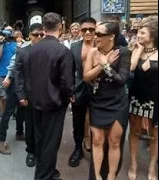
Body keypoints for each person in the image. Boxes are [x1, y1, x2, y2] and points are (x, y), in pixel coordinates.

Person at [83, 21, 131, 180]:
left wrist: (107, 66)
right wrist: (104, 65)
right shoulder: (93, 52)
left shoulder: (123, 52)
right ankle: (97, 176)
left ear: (111, 36)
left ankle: (111, 176)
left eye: (99, 34)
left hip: (118, 102)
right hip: (98, 101)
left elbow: (121, 80)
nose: (94, 37)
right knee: (97, 140)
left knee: (114, 141)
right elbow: (86, 76)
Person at [29, 12, 75, 180]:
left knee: (41, 140)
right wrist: (69, 96)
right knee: (50, 143)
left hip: (37, 101)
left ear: (43, 28)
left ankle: (47, 172)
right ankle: (44, 176)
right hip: (54, 103)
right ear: (60, 26)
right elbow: (67, 82)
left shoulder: (34, 48)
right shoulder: (63, 51)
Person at [128, 15, 158, 180]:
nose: (138, 35)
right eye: (138, 32)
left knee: (155, 134)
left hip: (156, 99)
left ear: (152, 36)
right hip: (136, 97)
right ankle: (133, 162)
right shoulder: (134, 49)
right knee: (134, 131)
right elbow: (131, 68)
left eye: (142, 33)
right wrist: (138, 49)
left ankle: (152, 166)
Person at [68, 17, 96, 168]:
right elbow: (69, 70)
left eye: (91, 29)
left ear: (95, 29)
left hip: (97, 90)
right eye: (84, 29)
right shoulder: (74, 47)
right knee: (77, 122)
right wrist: (70, 90)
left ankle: (97, 149)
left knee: (98, 121)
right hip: (78, 88)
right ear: (80, 30)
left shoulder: (100, 44)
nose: (87, 32)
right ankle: (78, 149)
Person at [14, 23, 44, 167]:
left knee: (44, 125)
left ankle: (42, 151)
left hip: (46, 95)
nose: (38, 37)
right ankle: (31, 151)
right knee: (30, 125)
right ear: (30, 36)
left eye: (41, 35)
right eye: (35, 34)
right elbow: (18, 74)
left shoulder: (48, 51)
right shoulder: (22, 52)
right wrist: (20, 95)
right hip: (29, 95)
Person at [0, 26, 17, 117]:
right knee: (2, 95)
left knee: (13, 94)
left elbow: (18, 57)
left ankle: (12, 112)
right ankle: (3, 113)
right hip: (0, 74)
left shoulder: (13, 45)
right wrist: (1, 44)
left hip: (12, 73)